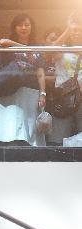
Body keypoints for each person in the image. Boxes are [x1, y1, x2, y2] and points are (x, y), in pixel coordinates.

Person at [0, 14, 46, 146]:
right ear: (14, 27)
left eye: (27, 25)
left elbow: (40, 72)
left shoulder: (37, 46)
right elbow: (2, 42)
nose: (23, 28)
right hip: (10, 90)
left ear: (32, 27)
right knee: (10, 128)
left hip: (31, 91)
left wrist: (43, 93)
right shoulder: (10, 42)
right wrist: (25, 48)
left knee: (29, 128)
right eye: (20, 25)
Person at [46, 12, 82, 144]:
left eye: (80, 30)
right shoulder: (62, 51)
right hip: (64, 98)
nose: (77, 32)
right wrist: (68, 28)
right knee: (58, 139)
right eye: (74, 30)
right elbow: (50, 51)